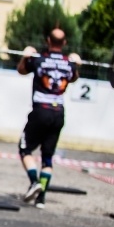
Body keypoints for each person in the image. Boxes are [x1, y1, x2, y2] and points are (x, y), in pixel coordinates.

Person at [18, 28, 80, 209]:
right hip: (58, 113)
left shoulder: (38, 60)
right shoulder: (69, 63)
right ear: (65, 43)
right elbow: (73, 78)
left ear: (48, 41)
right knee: (47, 157)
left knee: (24, 149)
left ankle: (34, 182)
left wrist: (25, 56)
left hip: (40, 111)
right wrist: (77, 65)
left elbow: (21, 70)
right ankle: (41, 199)